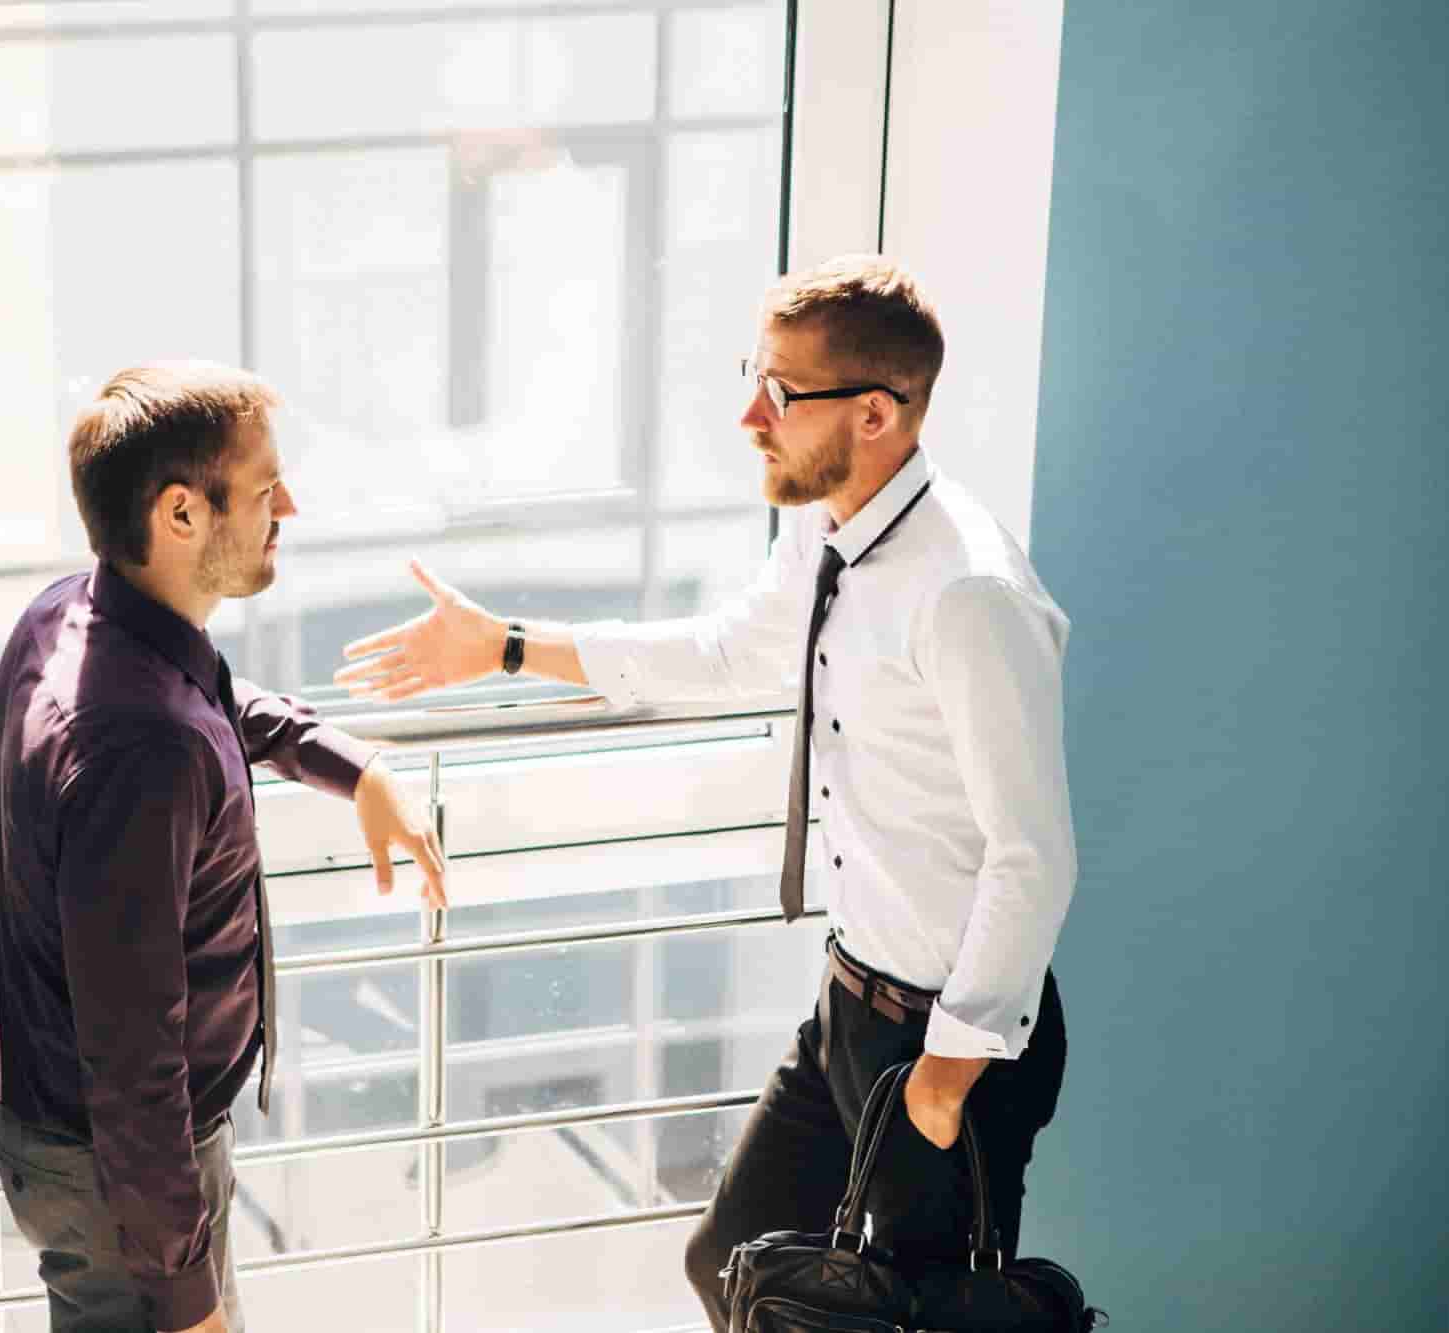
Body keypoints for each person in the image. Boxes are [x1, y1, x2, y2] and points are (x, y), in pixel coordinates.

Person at [335, 255, 1075, 1329]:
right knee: (728, 1259)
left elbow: (1032, 856)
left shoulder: (964, 595)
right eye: (753, 375)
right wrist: (501, 646)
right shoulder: (824, 525)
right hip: (850, 1006)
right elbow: (731, 652)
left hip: (946, 1039)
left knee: (909, 1321)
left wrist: (946, 1074)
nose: (748, 415)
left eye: (779, 389)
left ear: (875, 412)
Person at [0, 362, 448, 1333]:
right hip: (124, 1177)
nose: (289, 504)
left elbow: (214, 701)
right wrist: (188, 1298)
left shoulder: (72, 616)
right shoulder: (142, 746)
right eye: (264, 484)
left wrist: (349, 763)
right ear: (182, 514)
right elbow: (132, 1052)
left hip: (92, 1151)